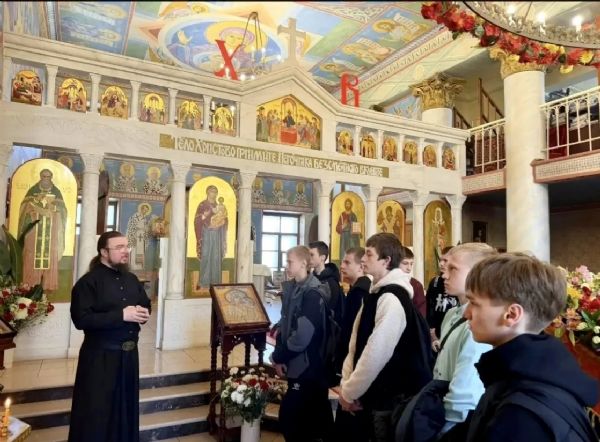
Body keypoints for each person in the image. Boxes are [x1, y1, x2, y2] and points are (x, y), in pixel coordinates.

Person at [464, 253, 599, 442]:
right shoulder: (525, 373)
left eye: (474, 303)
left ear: (511, 315)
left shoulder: (522, 415)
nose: (466, 313)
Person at [338, 233, 432, 441]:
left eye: (369, 254)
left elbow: (376, 353)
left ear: (386, 260)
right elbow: (355, 344)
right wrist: (348, 385)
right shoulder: (377, 293)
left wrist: (349, 392)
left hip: (386, 400)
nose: (363, 259)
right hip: (370, 396)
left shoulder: (392, 298)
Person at [69, 231, 151, 442]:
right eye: (119, 247)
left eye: (127, 246)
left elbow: (145, 304)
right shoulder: (88, 282)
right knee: (97, 412)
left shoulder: (132, 279)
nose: (126, 251)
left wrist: (143, 313)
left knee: (126, 409)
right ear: (104, 252)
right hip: (100, 359)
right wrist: (121, 315)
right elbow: (81, 320)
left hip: (129, 357)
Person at [432, 243, 497, 440]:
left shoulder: (479, 322)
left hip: (459, 422)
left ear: (477, 273)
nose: (444, 275)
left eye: (453, 268)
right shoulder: (452, 314)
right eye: (445, 267)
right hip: (441, 409)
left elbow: (465, 390)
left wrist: (443, 430)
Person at [271, 246, 333, 442]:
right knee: (295, 420)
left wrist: (277, 356)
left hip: (308, 366)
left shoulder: (313, 293)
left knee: (294, 420)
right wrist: (280, 356)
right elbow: (285, 324)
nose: (286, 265)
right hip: (296, 364)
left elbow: (302, 337)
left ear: (304, 264)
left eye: (290, 262)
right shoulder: (294, 288)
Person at [333, 247, 371, 438]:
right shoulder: (357, 291)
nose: (342, 266)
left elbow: (355, 338)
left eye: (347, 262)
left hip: (354, 369)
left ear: (361, 266)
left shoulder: (360, 293)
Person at [18, 168, 67, 291]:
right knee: (31, 254)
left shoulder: (56, 192)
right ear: (40, 177)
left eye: (48, 177)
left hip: (51, 231)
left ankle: (48, 285)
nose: (46, 179)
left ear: (51, 178)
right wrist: (35, 201)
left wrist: (52, 207)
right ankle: (29, 285)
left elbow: (62, 210)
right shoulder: (33, 191)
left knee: (49, 256)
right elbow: (24, 207)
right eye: (44, 176)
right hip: (34, 231)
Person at [194, 185, 227, 288]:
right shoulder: (202, 205)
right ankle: (203, 282)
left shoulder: (219, 206)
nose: (214, 194)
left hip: (217, 234)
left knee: (216, 257)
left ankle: (216, 283)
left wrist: (223, 221)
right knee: (206, 255)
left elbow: (225, 218)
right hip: (206, 233)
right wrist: (205, 215)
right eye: (212, 191)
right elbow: (197, 220)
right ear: (207, 192)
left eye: (216, 192)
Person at [426, 246, 458, 347]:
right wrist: (431, 332)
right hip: (436, 332)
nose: (441, 264)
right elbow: (430, 307)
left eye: (445, 260)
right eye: (440, 260)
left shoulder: (460, 285)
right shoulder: (435, 282)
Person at [399, 247, 426, 317]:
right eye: (405, 263)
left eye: (411, 264)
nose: (409, 268)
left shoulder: (416, 285)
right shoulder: (386, 283)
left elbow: (421, 315)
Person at [126, 202, 152, 271]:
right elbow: (131, 225)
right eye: (144, 209)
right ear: (141, 209)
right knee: (134, 250)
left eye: (146, 210)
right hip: (136, 236)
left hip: (142, 237)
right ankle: (133, 266)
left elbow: (146, 228)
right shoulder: (135, 216)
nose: (145, 211)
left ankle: (140, 266)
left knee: (141, 251)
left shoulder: (145, 219)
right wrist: (136, 232)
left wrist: (147, 229)